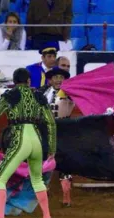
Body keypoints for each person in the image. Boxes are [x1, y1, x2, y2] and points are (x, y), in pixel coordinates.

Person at [0, 68, 57, 218]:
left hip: (20, 139)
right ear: (28, 81)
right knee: (37, 179)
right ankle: (47, 217)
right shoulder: (38, 96)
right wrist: (52, 148)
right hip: (37, 141)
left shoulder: (10, 95)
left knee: (0, 179)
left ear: (14, 82)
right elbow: (51, 123)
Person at [40, 67, 75, 207]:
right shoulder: (44, 92)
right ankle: (44, 191)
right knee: (42, 160)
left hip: (64, 131)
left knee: (64, 164)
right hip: (46, 130)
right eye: (56, 77)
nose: (59, 80)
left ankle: (66, 197)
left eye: (61, 77)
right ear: (50, 80)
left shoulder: (70, 93)